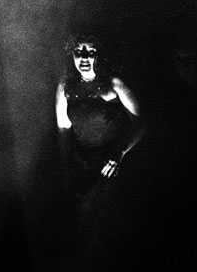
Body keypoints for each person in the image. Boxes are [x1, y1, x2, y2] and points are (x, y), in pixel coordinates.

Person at [55, 35, 145, 242]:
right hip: (84, 162)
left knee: (110, 224)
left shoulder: (113, 84)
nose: (84, 58)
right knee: (83, 222)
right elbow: (63, 129)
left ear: (99, 55)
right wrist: (66, 168)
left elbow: (140, 122)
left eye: (90, 52)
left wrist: (119, 154)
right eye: (79, 52)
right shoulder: (66, 86)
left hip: (113, 163)